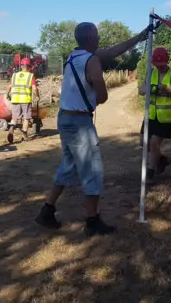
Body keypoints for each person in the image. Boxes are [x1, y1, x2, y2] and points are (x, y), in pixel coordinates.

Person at [35, 22, 150, 236]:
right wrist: (95, 94)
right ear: (89, 38)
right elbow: (103, 96)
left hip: (65, 119)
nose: (99, 39)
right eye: (96, 35)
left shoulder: (74, 56)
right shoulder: (92, 61)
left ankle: (47, 211)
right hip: (80, 124)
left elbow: (113, 51)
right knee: (93, 172)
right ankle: (92, 220)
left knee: (68, 166)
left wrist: (139, 37)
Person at [138, 47, 171, 185]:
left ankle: (150, 173)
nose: (159, 67)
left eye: (162, 64)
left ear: (167, 61)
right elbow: (140, 90)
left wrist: (167, 90)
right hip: (151, 115)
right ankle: (161, 159)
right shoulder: (150, 72)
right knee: (143, 143)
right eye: (157, 65)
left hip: (166, 116)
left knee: (153, 143)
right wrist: (149, 89)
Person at [6, 57, 40, 143]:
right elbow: (34, 88)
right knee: (26, 117)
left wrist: (7, 95)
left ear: (21, 66)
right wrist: (37, 96)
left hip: (15, 99)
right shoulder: (30, 76)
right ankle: (24, 134)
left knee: (15, 117)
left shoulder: (15, 75)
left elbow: (9, 86)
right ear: (29, 67)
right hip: (25, 99)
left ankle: (11, 128)